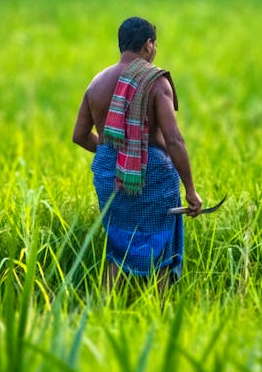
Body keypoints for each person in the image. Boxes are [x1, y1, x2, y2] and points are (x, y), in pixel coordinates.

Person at [72, 16, 202, 290]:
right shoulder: (156, 82)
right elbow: (174, 140)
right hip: (152, 177)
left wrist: (118, 156)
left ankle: (106, 308)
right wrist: (191, 189)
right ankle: (161, 310)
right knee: (162, 247)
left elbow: (80, 136)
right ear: (148, 45)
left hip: (110, 177)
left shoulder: (96, 83)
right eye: (155, 44)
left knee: (118, 246)